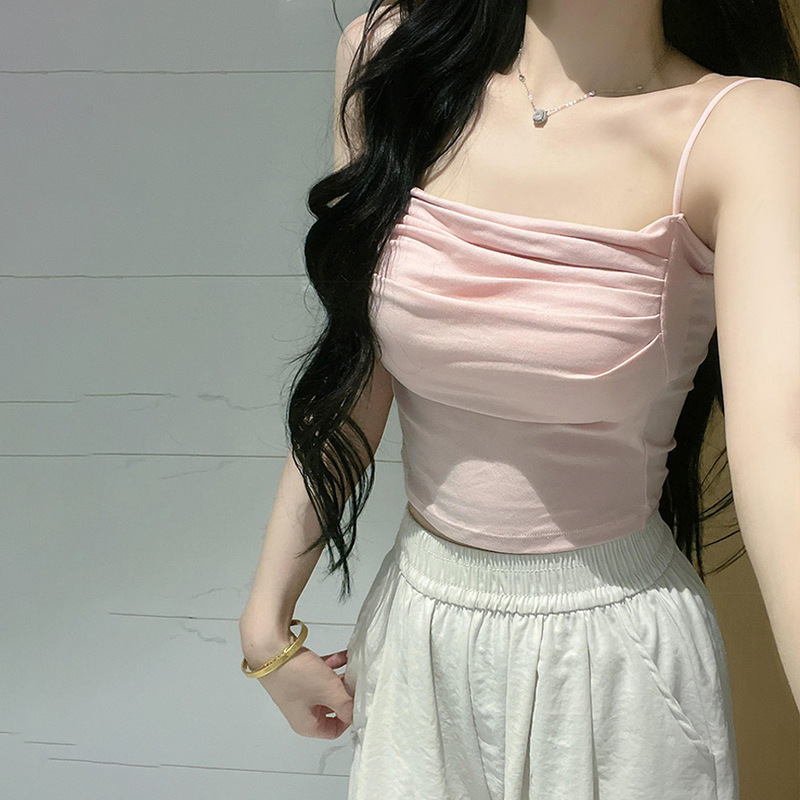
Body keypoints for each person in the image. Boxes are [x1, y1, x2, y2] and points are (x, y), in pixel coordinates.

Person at [239, 1, 800, 798]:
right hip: (419, 641)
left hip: (617, 669)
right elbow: (359, 365)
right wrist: (268, 618)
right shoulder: (392, 61)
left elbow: (782, 452)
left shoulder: (747, 129)